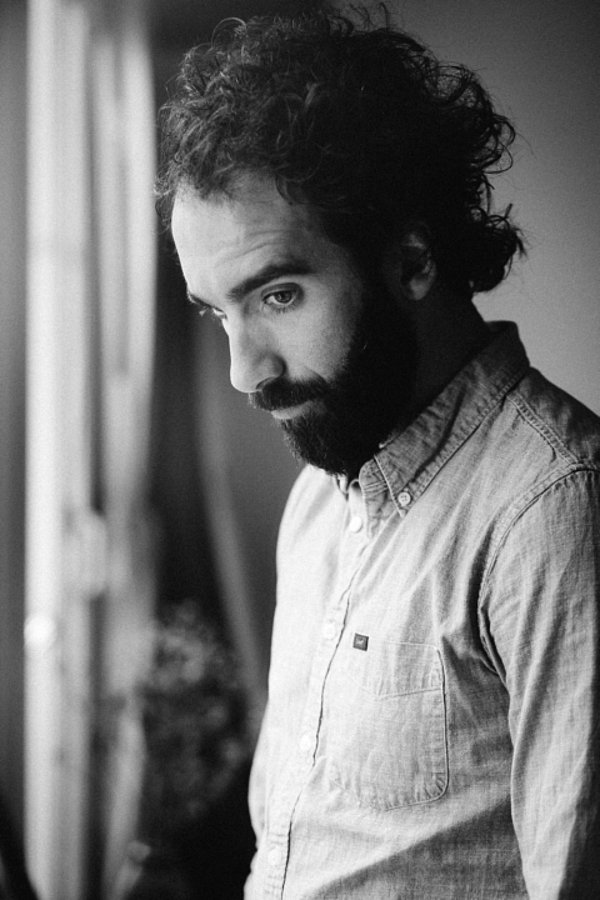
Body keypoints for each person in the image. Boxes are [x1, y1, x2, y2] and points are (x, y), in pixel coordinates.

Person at [155, 7, 600, 898]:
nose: (245, 373)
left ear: (412, 260)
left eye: (278, 295)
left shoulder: (557, 509)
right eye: (216, 312)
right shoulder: (318, 500)